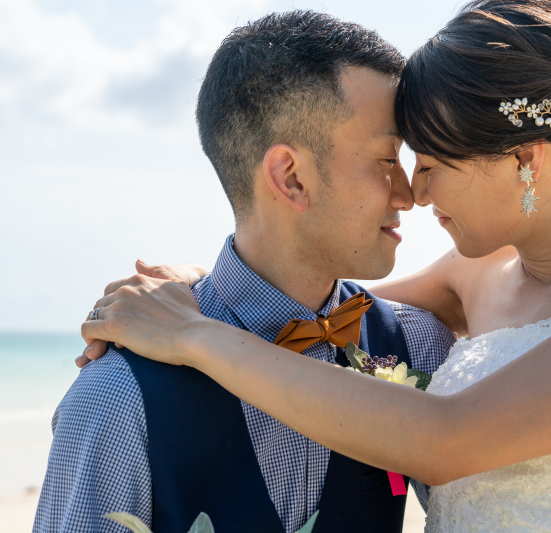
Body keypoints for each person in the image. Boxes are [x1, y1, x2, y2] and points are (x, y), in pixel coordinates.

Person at [81, 0, 551, 532]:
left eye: (431, 165)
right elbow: (308, 311)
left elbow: (447, 439)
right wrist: (192, 291)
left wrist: (194, 335)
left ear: (525, 159)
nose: (415, 193)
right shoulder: (470, 275)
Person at [34, 11, 457, 533]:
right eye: (386, 158)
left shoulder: (423, 349)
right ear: (292, 178)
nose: (407, 194)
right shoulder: (117, 397)